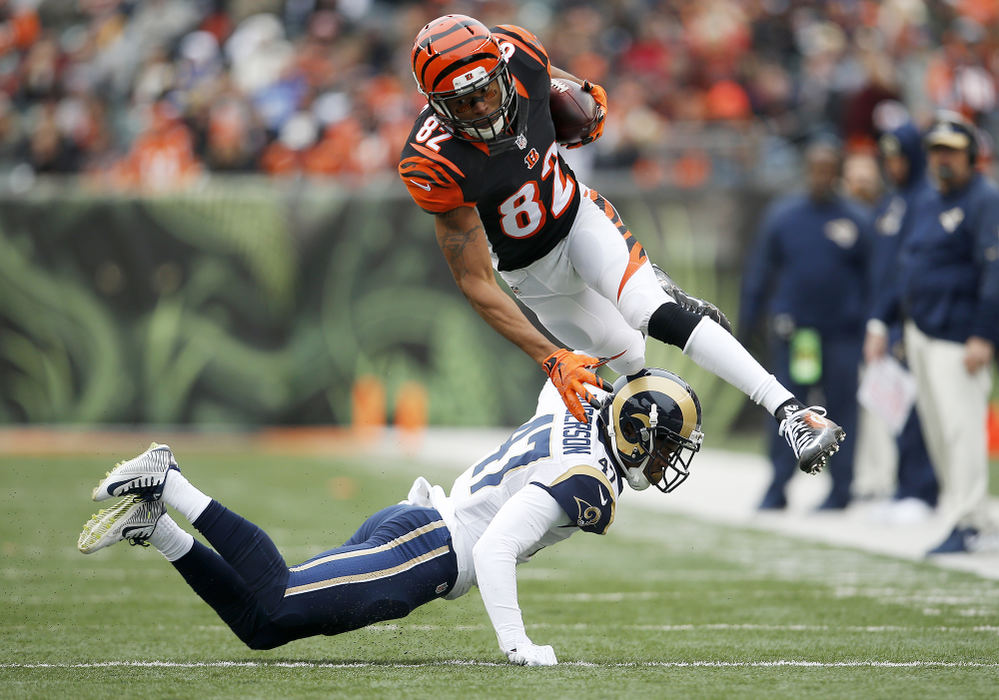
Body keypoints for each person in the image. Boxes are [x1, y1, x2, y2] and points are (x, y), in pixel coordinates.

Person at [397, 14, 844, 476]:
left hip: (577, 220)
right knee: (628, 353)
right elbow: (475, 282)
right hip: (529, 274)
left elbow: (572, 92)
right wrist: (550, 359)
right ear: (435, 104)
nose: (482, 109)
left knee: (650, 313)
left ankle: (792, 414)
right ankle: (654, 305)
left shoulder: (523, 57)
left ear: (502, 71)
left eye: (487, 90)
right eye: (463, 103)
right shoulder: (433, 160)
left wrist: (587, 104)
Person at [80, 369, 713, 666]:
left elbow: (570, 360)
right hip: (431, 549)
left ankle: (157, 527)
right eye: (663, 447)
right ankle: (172, 481)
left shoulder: (579, 398)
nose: (665, 463)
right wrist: (518, 645)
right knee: (279, 598)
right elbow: (494, 549)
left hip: (420, 527)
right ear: (634, 433)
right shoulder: (591, 480)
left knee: (262, 625)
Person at [864, 112, 999, 554]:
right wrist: (882, 320)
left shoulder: (984, 199)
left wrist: (984, 333)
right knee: (940, 432)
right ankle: (961, 514)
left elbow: (994, 272)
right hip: (921, 331)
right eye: (936, 150)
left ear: (972, 156)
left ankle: (971, 520)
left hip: (959, 335)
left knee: (962, 431)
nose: (943, 159)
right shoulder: (926, 201)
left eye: (952, 152)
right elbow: (906, 267)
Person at [739, 138, 873, 510]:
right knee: (790, 411)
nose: (821, 177)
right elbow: (760, 271)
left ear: (838, 173)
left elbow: (875, 277)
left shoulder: (857, 219)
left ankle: (841, 489)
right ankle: (778, 485)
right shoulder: (783, 216)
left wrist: (870, 322)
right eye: (815, 169)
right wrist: (747, 322)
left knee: (842, 409)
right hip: (798, 334)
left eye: (828, 169)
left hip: (841, 333)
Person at [860, 123, 939, 522]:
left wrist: (886, 318)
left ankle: (920, 489)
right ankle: (905, 485)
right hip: (886, 317)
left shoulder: (926, 199)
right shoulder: (892, 203)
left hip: (910, 318)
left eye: (900, 157)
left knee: (914, 407)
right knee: (893, 404)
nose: (893, 166)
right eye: (888, 158)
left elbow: (906, 270)